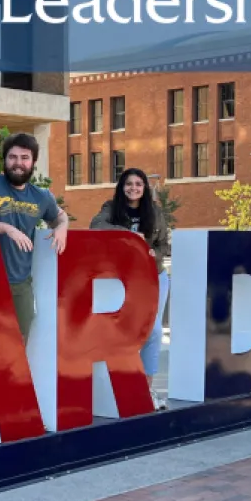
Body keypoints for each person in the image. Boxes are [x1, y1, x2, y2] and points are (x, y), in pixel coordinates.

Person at [0, 132, 68, 340]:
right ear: (5, 160)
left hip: (20, 283)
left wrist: (62, 227)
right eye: (12, 157)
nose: (18, 163)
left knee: (19, 344)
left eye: (24, 158)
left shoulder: (42, 196)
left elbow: (60, 218)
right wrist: (5, 227)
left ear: (33, 162)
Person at [89, 167, 171, 411]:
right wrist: (130, 239)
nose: (133, 188)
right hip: (123, 280)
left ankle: (147, 389)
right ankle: (120, 387)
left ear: (144, 188)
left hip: (153, 278)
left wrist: (150, 254)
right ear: (121, 187)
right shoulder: (111, 208)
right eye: (128, 184)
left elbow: (163, 244)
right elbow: (96, 226)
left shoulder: (154, 212)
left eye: (138, 184)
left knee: (153, 331)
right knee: (122, 331)